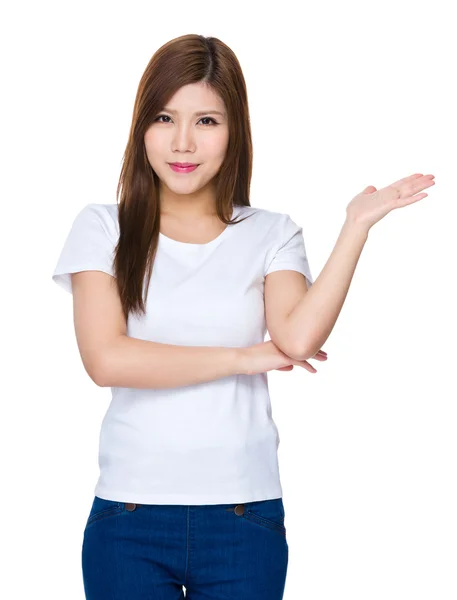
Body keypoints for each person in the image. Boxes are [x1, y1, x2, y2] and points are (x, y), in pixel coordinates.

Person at [51, 34, 435, 600]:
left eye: (206, 121)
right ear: (142, 127)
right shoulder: (104, 226)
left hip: (242, 517)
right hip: (128, 517)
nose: (183, 142)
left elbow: (298, 336)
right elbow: (106, 359)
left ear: (234, 131)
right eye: (164, 117)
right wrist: (243, 357)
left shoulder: (271, 233)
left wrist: (355, 227)